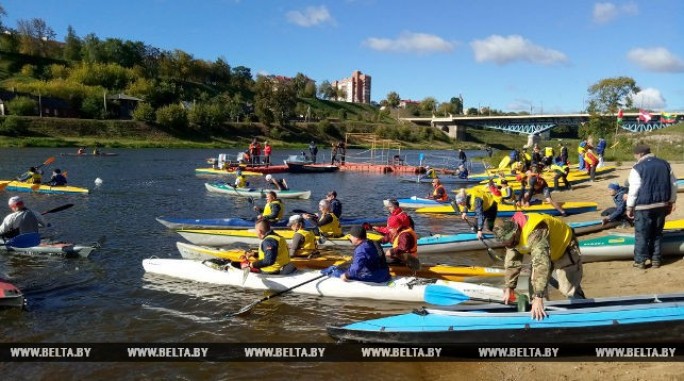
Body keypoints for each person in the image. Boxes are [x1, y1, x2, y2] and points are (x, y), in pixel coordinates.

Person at [493, 212, 585, 320]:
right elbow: (512, 262)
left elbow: (541, 263)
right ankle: (541, 314)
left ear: (516, 231)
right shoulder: (510, 237)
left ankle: (583, 313)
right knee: (534, 285)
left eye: (509, 241)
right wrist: (509, 287)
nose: (508, 245)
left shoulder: (535, 231)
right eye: (505, 243)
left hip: (564, 247)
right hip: (545, 251)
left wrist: (538, 296)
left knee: (568, 289)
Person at [626, 144, 677, 269]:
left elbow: (634, 189)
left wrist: (629, 207)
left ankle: (640, 261)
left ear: (639, 154)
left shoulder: (637, 167)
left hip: (643, 206)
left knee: (642, 233)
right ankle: (656, 260)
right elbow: (674, 185)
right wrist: (671, 201)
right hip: (661, 205)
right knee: (657, 233)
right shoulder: (665, 164)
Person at [320, 226, 391, 283]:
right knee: (340, 267)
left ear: (356, 237)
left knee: (334, 270)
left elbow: (356, 269)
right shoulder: (372, 242)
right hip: (384, 273)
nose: (350, 238)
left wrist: (346, 275)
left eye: (351, 236)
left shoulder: (361, 250)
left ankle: (321, 273)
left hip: (375, 276)